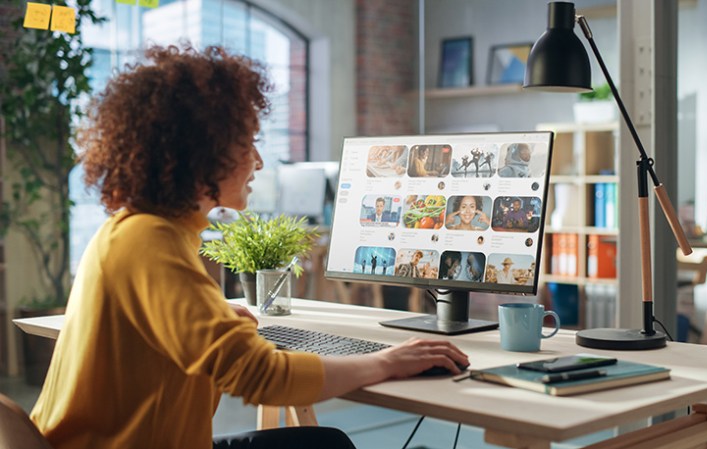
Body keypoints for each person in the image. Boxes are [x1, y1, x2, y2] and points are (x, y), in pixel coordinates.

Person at [29, 44, 469, 449]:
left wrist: (213, 320)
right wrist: (389, 361)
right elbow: (261, 377)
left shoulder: (141, 231)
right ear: (199, 154)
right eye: (246, 142)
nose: (258, 160)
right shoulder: (148, 240)